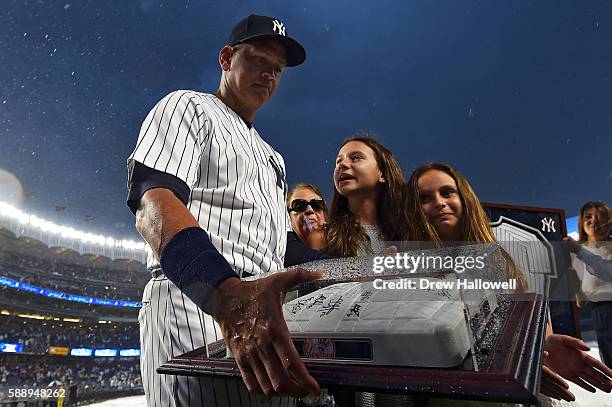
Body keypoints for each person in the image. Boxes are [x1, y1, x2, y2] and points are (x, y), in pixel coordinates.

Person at [126, 14, 321, 407]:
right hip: (198, 301)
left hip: (263, 310)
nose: (268, 75)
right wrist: (224, 295)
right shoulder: (188, 106)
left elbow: (286, 248)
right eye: (258, 61)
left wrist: (359, 271)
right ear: (226, 58)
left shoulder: (272, 156)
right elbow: (153, 203)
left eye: (277, 70)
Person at [406, 163, 612, 402]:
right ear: (412, 209)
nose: (439, 202)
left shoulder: (498, 258)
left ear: (464, 197)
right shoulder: (410, 266)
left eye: (447, 192)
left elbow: (527, 318)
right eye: (424, 197)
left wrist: (541, 349)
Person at [326, 135, 410, 257]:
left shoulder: (408, 229)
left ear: (382, 174)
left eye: (356, 158)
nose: (342, 165)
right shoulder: (325, 236)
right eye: (338, 161)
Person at [567, 201, 612, 367]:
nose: (593, 221)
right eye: (588, 217)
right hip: (597, 314)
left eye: (599, 217)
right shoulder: (578, 249)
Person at [284, 183, 329, 267]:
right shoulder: (283, 247)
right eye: (299, 206)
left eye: (316, 204)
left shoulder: (344, 243)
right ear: (288, 217)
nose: (309, 210)